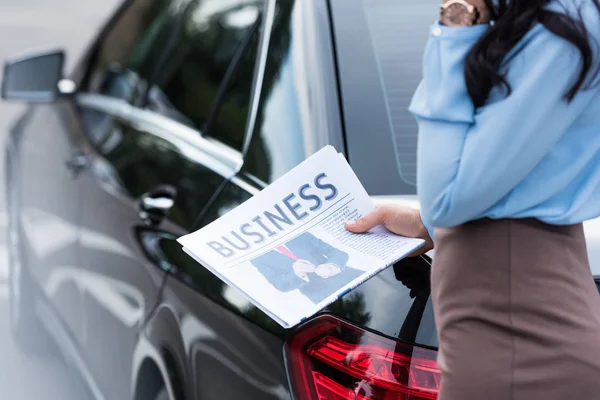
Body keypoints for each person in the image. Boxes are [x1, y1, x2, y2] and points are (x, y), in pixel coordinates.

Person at [346, 0, 600, 398]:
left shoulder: (562, 26)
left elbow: (446, 199)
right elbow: (523, 165)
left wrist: (454, 25)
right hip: (502, 329)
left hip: (521, 341)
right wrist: (427, 226)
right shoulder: (538, 20)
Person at [250, 232, 363, 304]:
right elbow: (280, 284)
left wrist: (331, 266)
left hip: (352, 278)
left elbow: (337, 253)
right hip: (324, 296)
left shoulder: (297, 233)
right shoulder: (256, 257)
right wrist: (297, 274)